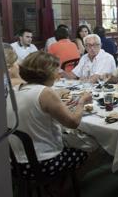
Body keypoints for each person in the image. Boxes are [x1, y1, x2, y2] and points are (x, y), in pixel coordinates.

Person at [6, 51, 93, 181]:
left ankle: (52, 188)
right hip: (43, 162)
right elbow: (73, 122)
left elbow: (36, 106)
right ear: (45, 73)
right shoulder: (45, 93)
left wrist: (60, 102)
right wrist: (82, 101)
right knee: (92, 145)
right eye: (55, 70)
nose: (58, 74)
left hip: (15, 162)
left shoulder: (15, 90)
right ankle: (64, 191)